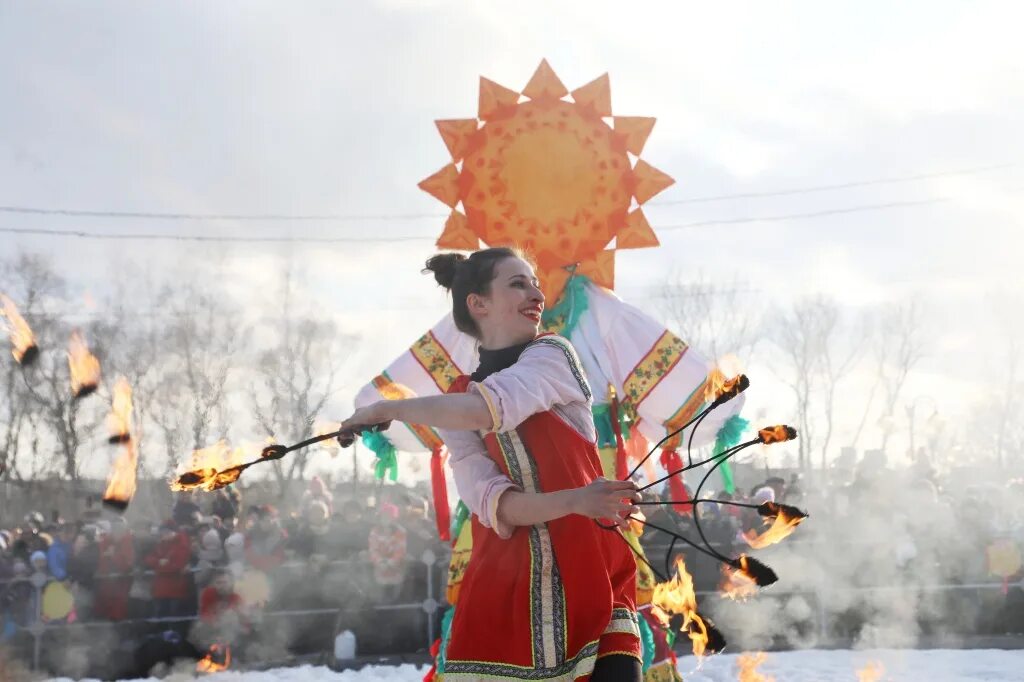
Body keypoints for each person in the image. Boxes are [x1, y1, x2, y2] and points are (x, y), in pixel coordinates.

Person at [340, 248, 642, 681]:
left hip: (591, 573)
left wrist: (388, 409)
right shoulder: (454, 401)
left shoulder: (554, 355)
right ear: (478, 304)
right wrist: (576, 498)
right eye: (518, 283)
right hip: (506, 591)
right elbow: (498, 506)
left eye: (534, 282)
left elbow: (492, 407)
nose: (537, 294)